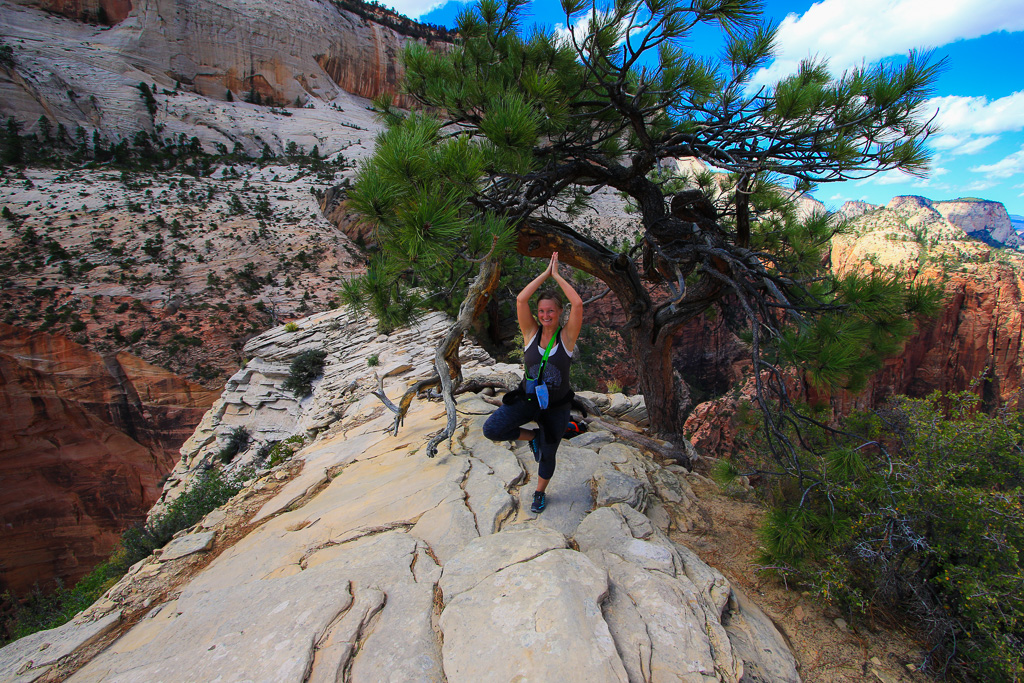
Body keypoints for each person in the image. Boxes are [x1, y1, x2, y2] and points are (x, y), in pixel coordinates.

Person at [482, 252, 583, 514]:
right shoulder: (530, 332)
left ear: (560, 312)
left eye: (550, 311)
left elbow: (578, 304)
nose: (545, 315)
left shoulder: (567, 337)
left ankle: (539, 493)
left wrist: (558, 276)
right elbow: (521, 299)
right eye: (541, 311)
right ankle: (533, 435)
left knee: (548, 456)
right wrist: (545, 274)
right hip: (528, 399)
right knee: (492, 429)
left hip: (556, 406)